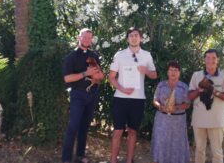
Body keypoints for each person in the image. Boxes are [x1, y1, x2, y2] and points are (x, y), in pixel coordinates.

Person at [109, 27, 157, 163]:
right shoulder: (119, 55)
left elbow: (154, 75)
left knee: (132, 132)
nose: (134, 37)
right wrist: (122, 89)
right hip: (120, 98)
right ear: (127, 39)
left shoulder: (147, 55)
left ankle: (129, 160)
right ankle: (113, 160)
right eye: (131, 35)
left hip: (138, 99)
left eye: (136, 35)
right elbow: (111, 77)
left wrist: (145, 70)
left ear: (140, 38)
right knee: (117, 132)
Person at [61, 28, 104, 163]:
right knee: (73, 125)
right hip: (77, 95)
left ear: (91, 40)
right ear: (79, 38)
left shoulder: (94, 56)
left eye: (89, 38)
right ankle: (66, 159)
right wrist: (86, 73)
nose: (87, 40)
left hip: (92, 94)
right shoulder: (71, 57)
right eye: (84, 37)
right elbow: (67, 79)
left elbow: (101, 75)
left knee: (85, 125)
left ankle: (80, 155)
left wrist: (96, 77)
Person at [188, 49, 224, 163]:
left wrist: (214, 91)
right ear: (204, 60)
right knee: (199, 150)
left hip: (216, 121)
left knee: (217, 152)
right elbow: (189, 96)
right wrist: (200, 89)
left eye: (213, 58)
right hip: (199, 120)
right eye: (208, 58)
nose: (210, 60)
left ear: (217, 60)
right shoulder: (196, 75)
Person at [151, 61, 190, 163]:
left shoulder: (184, 87)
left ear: (179, 73)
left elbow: (188, 104)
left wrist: (176, 107)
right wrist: (160, 106)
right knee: (161, 142)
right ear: (167, 72)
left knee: (176, 144)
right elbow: (155, 100)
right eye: (171, 70)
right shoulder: (161, 85)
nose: (173, 72)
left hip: (178, 121)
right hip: (162, 120)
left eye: (176, 70)